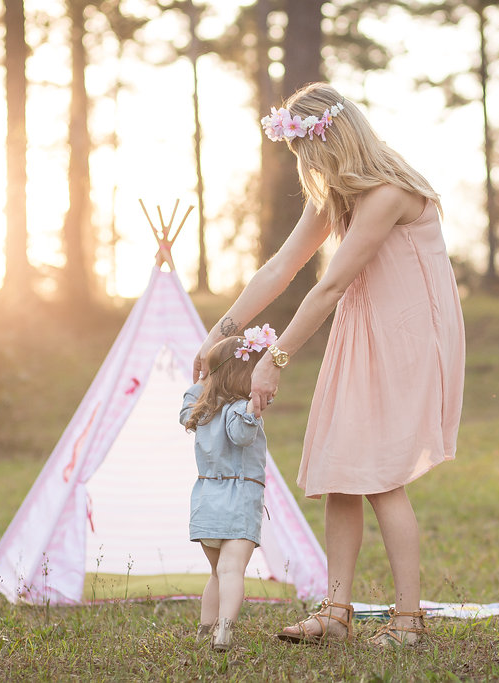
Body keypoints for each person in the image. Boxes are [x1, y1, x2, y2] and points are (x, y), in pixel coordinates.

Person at [192, 82, 465, 647]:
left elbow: (330, 285)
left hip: (407, 341)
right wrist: (223, 330)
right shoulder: (340, 197)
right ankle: (335, 611)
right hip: (362, 335)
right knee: (342, 471)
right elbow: (281, 268)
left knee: (382, 476)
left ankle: (409, 621)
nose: (309, 172)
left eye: (311, 158)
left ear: (334, 141)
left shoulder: (388, 192)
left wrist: (275, 360)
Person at [181, 326, 276, 652]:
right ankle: (223, 630)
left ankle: (204, 630)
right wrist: (253, 407)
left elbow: (186, 408)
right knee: (232, 568)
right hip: (239, 497)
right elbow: (240, 436)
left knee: (216, 573)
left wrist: (203, 380)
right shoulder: (241, 410)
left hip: (207, 499)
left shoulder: (202, 410)